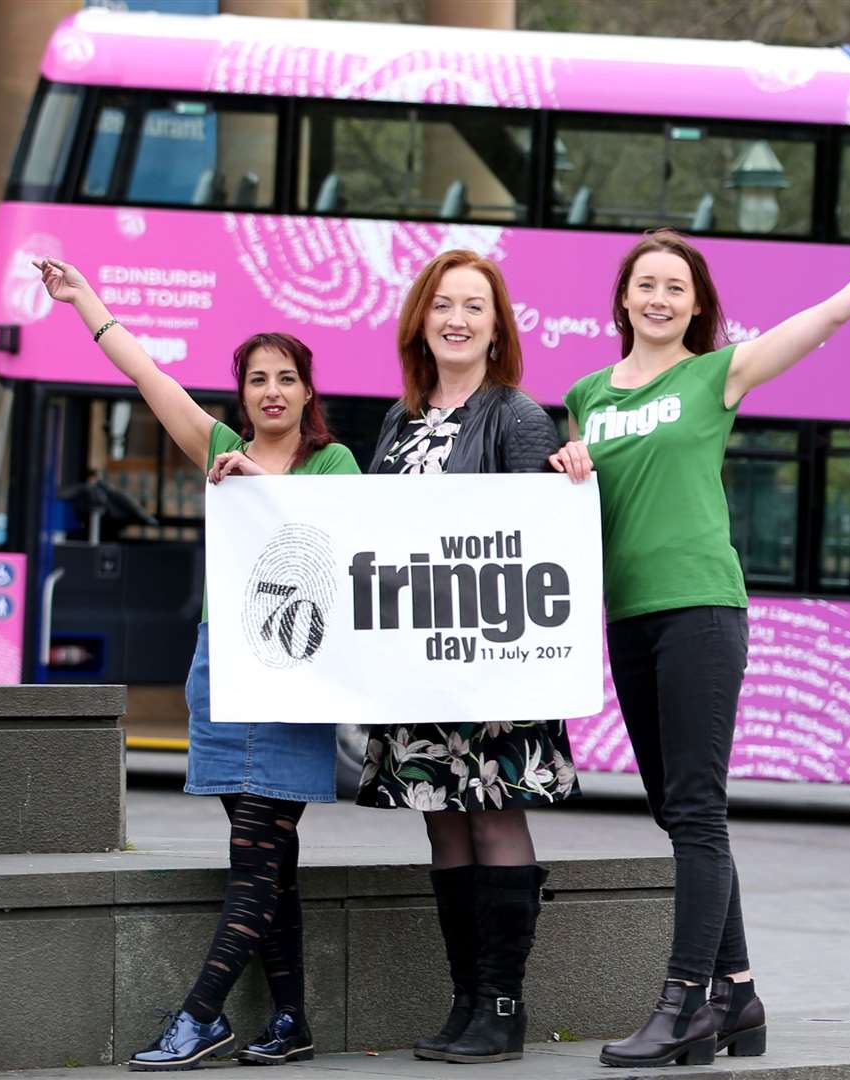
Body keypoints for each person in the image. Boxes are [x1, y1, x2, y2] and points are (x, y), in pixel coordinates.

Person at [550, 202, 850, 1068]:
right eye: (646, 283)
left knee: (695, 810)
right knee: (676, 810)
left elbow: (832, 311)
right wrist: (566, 464)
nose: (659, 296)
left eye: (675, 286)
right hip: (627, 614)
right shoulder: (586, 398)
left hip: (702, 609)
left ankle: (683, 1004)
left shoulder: (718, 373)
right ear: (623, 299)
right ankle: (741, 998)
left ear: (694, 304)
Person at [34, 258, 358, 1071]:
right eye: (258, 380)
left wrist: (261, 483)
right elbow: (148, 374)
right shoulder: (216, 447)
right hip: (222, 665)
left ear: (308, 391)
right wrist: (87, 304)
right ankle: (292, 1020)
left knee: (255, 852)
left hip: (292, 670)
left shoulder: (334, 464)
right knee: (269, 859)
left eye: (288, 378)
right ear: (242, 394)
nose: (273, 392)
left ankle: (200, 1015)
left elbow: (341, 544)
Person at [354, 249, 580, 1065]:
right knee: (444, 826)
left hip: (492, 668)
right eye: (442, 303)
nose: (456, 317)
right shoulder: (398, 420)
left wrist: (570, 472)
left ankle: (504, 1004)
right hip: (417, 667)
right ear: (421, 319)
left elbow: (534, 539)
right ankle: (465, 1002)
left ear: (496, 327)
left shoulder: (516, 416)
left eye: (474, 306)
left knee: (492, 817)